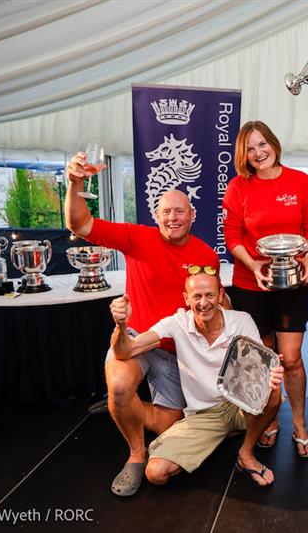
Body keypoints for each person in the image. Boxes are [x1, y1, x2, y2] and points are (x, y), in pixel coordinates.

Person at [65, 154, 220, 497]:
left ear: (192, 216)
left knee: (168, 424)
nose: (173, 217)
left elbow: (212, 302)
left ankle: (123, 410)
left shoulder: (206, 255)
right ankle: (135, 453)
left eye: (180, 211)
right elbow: (80, 224)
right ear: (156, 215)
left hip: (175, 349)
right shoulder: (137, 238)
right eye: (166, 211)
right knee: (120, 387)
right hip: (135, 338)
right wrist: (76, 183)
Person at [109, 268, 284, 488]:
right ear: (186, 299)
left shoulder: (241, 321)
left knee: (274, 392)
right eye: (197, 296)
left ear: (220, 295)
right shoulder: (177, 323)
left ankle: (246, 453)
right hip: (205, 414)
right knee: (155, 473)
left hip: (240, 402)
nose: (204, 303)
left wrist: (270, 373)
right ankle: (226, 431)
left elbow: (260, 369)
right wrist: (121, 326)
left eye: (210, 295)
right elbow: (125, 352)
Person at [222, 120, 308, 458]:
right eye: (250, 149)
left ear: (274, 143)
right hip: (251, 283)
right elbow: (232, 237)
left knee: (291, 359)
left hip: (292, 281)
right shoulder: (238, 187)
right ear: (243, 155)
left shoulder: (299, 180)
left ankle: (299, 423)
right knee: (263, 361)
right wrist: (253, 265)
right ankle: (268, 419)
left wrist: (307, 256)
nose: (258, 152)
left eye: (262, 144)